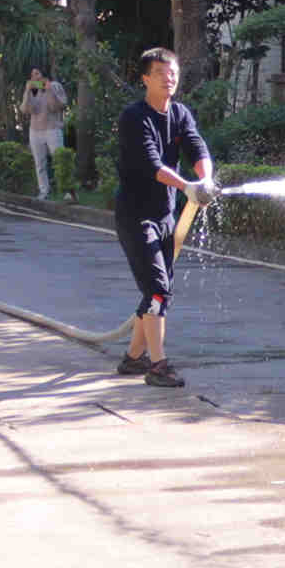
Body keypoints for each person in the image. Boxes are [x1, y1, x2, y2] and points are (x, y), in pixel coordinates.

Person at [112, 47, 212, 388]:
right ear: (145, 79)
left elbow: (196, 147)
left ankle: (133, 358)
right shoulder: (134, 117)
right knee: (157, 290)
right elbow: (152, 164)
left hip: (167, 216)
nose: (168, 78)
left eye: (173, 73)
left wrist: (206, 180)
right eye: (160, 73)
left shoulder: (180, 114)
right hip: (136, 217)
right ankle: (158, 365)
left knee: (157, 292)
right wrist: (188, 187)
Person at [21, 65, 70, 200]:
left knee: (60, 160)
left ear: (44, 73)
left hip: (52, 129)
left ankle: (66, 191)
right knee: (39, 164)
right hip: (35, 131)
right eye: (32, 74)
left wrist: (48, 90)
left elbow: (57, 107)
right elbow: (25, 110)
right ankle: (44, 191)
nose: (35, 76)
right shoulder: (32, 89)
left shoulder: (55, 86)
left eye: (37, 73)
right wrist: (27, 91)